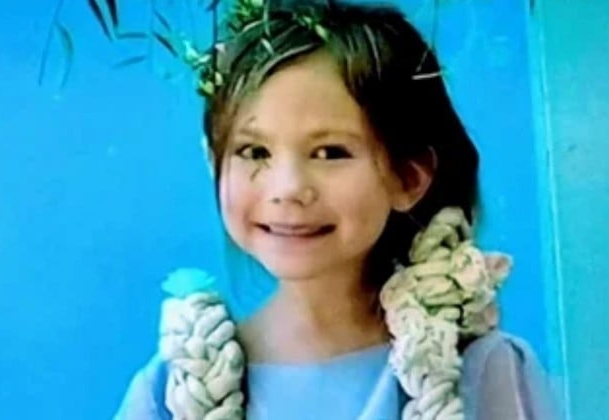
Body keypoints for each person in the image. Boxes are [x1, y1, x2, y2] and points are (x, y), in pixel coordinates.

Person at [114, 1, 558, 418]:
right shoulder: (169, 391)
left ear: (408, 178)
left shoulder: (482, 371)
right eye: (254, 151)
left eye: (330, 152)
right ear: (215, 161)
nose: (288, 189)